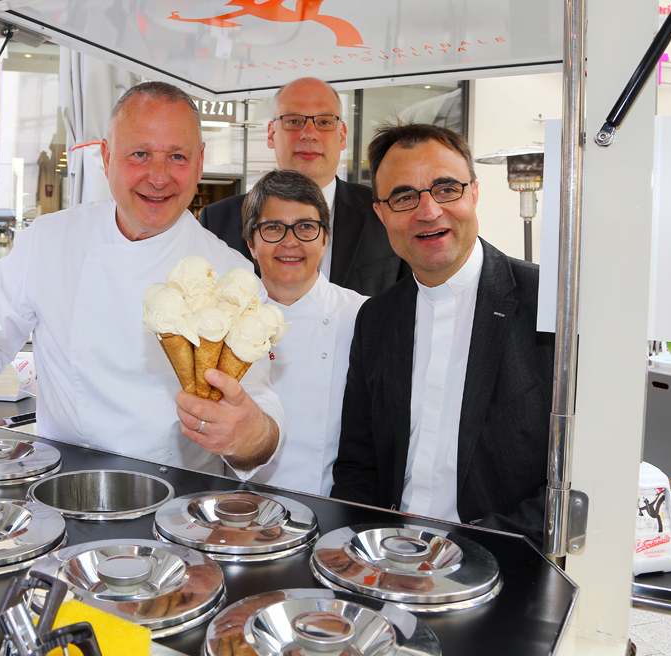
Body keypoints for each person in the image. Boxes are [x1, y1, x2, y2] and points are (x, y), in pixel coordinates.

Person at [0, 81, 284, 478]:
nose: (159, 177)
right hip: (64, 480)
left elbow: (258, 407)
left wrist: (250, 434)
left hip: (176, 490)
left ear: (199, 164)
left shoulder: (230, 274)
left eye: (177, 156)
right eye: (140, 154)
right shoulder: (49, 239)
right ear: (106, 158)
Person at [330, 122, 554, 543]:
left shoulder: (548, 303)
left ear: (474, 193)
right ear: (381, 214)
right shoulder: (375, 318)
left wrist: (471, 554)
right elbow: (358, 466)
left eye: (446, 188)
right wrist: (357, 549)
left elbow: (580, 475)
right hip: (388, 559)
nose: (429, 211)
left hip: (504, 561)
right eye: (404, 197)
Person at [199, 77, 407, 297]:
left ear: (342, 135)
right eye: (293, 121)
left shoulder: (387, 212)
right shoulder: (217, 222)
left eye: (324, 122)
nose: (309, 134)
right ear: (271, 133)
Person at [241, 170, 366, 496]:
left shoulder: (362, 316)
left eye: (306, 227)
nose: (290, 242)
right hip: (241, 504)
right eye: (273, 227)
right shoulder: (227, 319)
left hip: (330, 505)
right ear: (251, 243)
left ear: (325, 240)